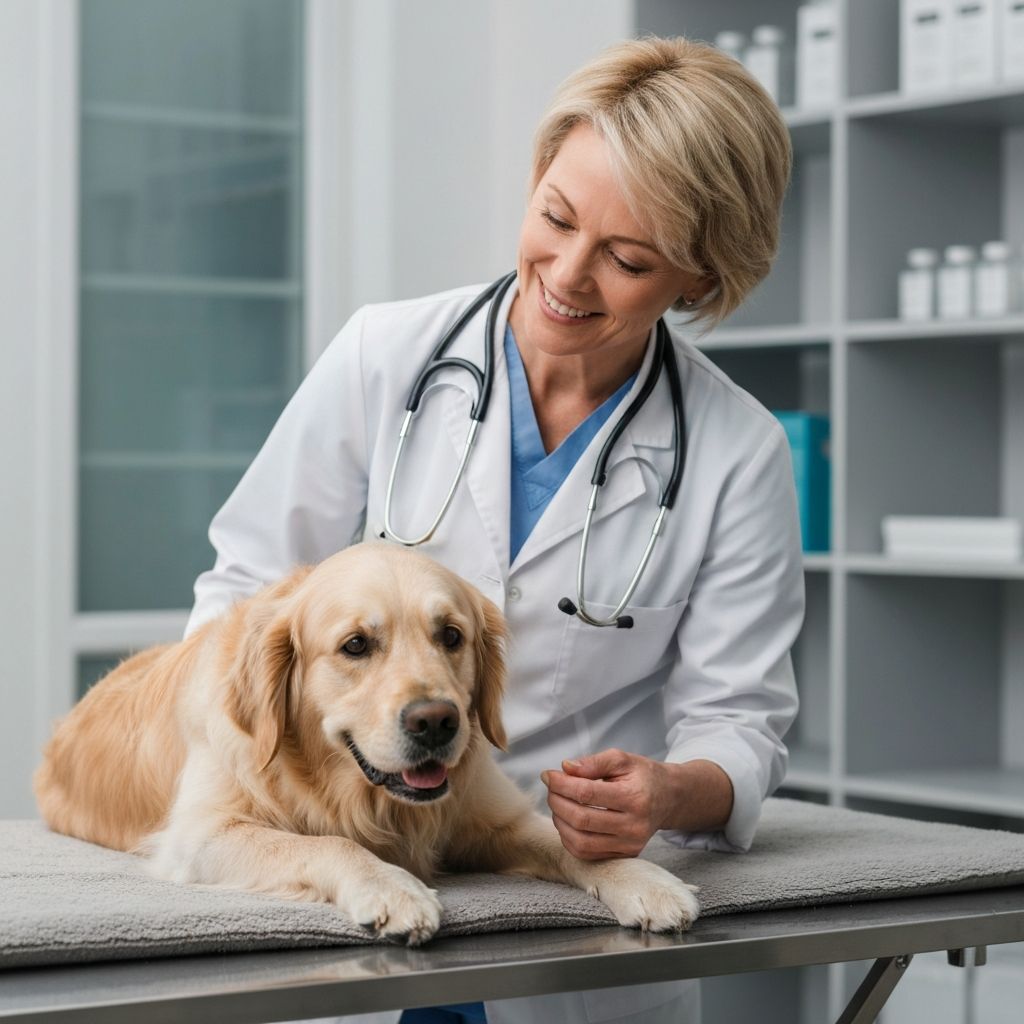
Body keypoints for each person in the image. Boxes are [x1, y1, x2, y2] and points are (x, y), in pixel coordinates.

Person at [186, 35, 803, 1024]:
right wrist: (258, 798)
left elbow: (739, 721)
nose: (565, 273)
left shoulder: (739, 453)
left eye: (628, 259)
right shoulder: (385, 356)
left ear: (698, 277)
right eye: (554, 217)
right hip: (359, 890)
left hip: (571, 921)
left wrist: (670, 791)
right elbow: (243, 588)